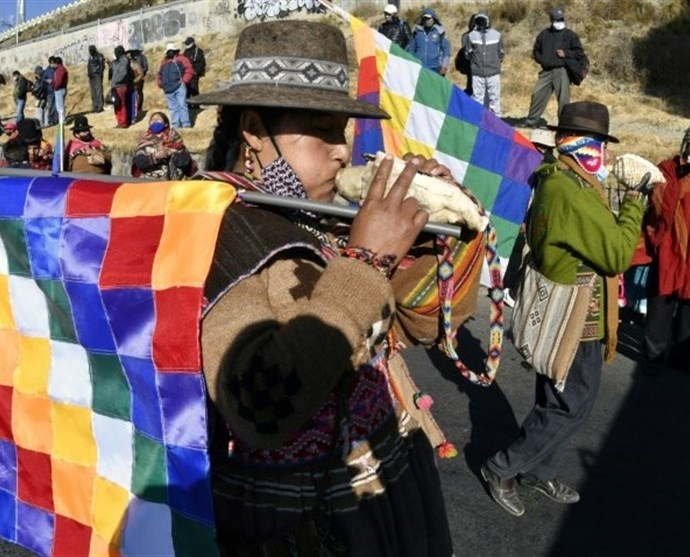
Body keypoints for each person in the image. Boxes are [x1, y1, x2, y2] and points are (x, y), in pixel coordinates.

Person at [188, 20, 454, 555]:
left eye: (345, 130)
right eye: (324, 129)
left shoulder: (325, 219)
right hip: (304, 527)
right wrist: (366, 260)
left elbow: (423, 327)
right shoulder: (215, 233)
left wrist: (422, 238)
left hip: (378, 489)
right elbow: (261, 402)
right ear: (255, 130)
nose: (342, 151)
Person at [481, 101, 645, 517]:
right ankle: (503, 466)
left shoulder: (560, 179)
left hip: (559, 309)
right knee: (572, 404)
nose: (600, 155)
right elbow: (615, 254)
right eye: (597, 145)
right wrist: (635, 203)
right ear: (579, 145)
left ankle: (539, 470)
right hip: (575, 318)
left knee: (554, 398)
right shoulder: (570, 191)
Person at [642, 116, 690, 377]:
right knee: (661, 303)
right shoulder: (668, 168)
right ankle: (653, 356)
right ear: (686, 147)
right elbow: (661, 200)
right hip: (672, 249)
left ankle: (682, 358)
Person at [523, 7, 585, 128]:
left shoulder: (570, 35)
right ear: (551, 20)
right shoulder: (543, 35)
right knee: (537, 94)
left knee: (563, 100)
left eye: (561, 19)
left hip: (562, 71)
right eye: (556, 19)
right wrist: (542, 61)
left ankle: (564, 125)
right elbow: (536, 51)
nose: (559, 22)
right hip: (546, 71)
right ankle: (531, 121)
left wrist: (566, 53)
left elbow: (579, 53)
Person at [132, 111, 195, 179]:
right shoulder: (144, 139)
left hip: (174, 182)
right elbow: (139, 162)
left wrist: (170, 152)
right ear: (149, 124)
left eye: (158, 119)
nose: (155, 120)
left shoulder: (174, 137)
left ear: (166, 124)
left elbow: (184, 161)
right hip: (150, 182)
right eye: (153, 120)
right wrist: (155, 156)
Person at [464, 12, 504, 117]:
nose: (481, 23)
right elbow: (468, 54)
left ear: (488, 21)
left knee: (494, 98)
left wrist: (494, 64)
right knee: (477, 98)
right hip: (477, 73)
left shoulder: (497, 35)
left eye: (483, 20)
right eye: (479, 20)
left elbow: (501, 53)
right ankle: (479, 122)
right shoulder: (471, 36)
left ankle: (496, 122)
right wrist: (475, 64)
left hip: (493, 73)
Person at [157, 43, 193, 129]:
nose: (170, 53)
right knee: (172, 108)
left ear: (175, 51)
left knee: (182, 105)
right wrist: (161, 84)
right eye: (168, 51)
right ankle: (176, 126)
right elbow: (159, 74)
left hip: (179, 87)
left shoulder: (182, 59)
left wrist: (184, 81)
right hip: (168, 90)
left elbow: (189, 70)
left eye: (171, 51)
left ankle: (186, 124)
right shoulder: (164, 62)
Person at [407, 8, 451, 76]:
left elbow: (446, 50)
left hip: (435, 68)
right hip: (419, 68)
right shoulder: (416, 32)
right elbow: (411, 50)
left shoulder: (440, 32)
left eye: (429, 18)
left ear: (434, 19)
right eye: (425, 18)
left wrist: (444, 66)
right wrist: (410, 64)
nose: (427, 20)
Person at [183, 36, 205, 125]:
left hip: (194, 75)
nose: (186, 45)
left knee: (194, 90)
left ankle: (196, 106)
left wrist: (196, 72)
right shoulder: (185, 52)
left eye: (188, 43)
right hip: (186, 75)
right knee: (187, 91)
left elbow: (201, 63)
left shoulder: (198, 51)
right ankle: (189, 106)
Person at [108, 45, 132, 128]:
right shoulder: (117, 61)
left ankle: (123, 122)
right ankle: (119, 121)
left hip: (121, 85)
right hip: (115, 86)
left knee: (121, 104)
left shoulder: (124, 60)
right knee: (116, 104)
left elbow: (123, 73)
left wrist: (116, 81)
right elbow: (113, 71)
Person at [127, 41, 148, 123]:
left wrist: (140, 73)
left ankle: (139, 107)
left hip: (140, 78)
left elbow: (145, 67)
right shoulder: (131, 60)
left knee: (139, 93)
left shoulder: (142, 57)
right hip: (133, 80)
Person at [87, 45, 106, 113]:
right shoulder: (90, 57)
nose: (90, 51)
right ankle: (95, 106)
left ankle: (100, 106)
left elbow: (102, 65)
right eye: (90, 50)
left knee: (98, 91)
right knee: (93, 92)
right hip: (91, 76)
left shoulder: (99, 56)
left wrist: (99, 73)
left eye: (91, 50)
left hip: (97, 75)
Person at [52, 56, 69, 123]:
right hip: (61, 88)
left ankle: (62, 120)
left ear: (57, 63)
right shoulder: (61, 69)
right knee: (60, 105)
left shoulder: (60, 69)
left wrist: (55, 87)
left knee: (59, 106)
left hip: (59, 89)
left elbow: (59, 81)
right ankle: (62, 119)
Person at [42, 57, 58, 126]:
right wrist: (47, 80)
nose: (52, 64)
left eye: (53, 62)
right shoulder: (47, 71)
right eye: (51, 63)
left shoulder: (57, 69)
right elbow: (43, 79)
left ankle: (56, 119)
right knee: (51, 106)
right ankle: (50, 120)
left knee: (56, 106)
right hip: (50, 91)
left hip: (56, 90)